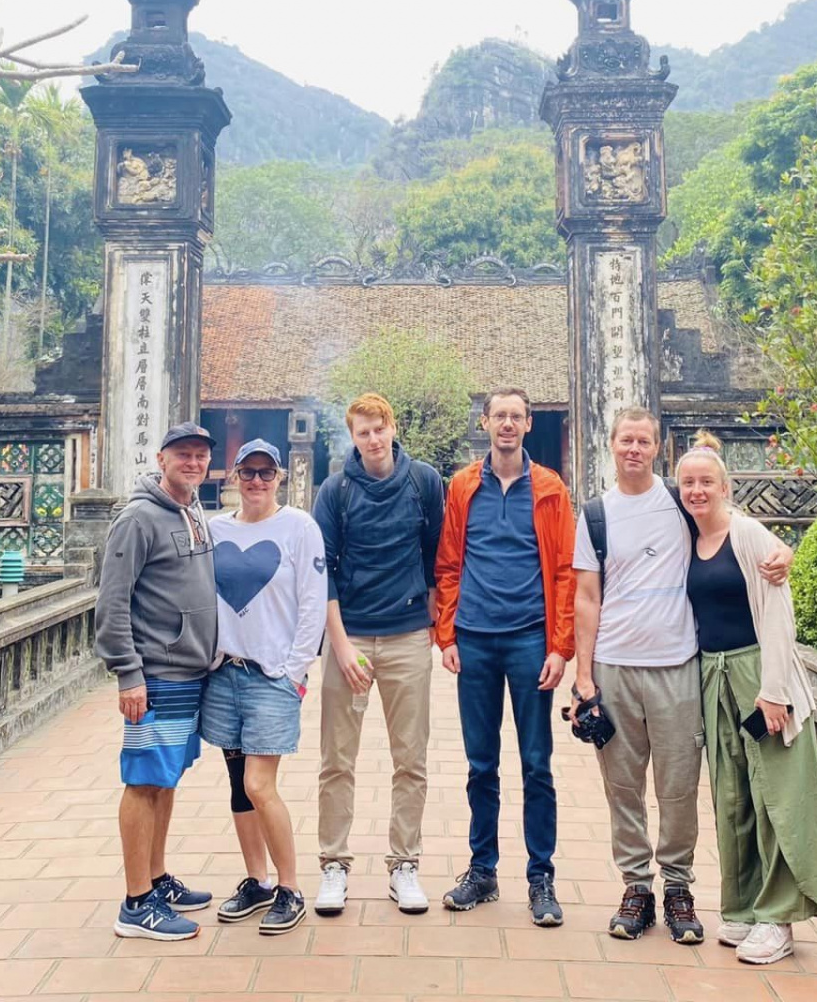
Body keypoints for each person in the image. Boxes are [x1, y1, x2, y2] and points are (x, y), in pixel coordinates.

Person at [569, 407, 785, 944]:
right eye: (626, 441)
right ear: (612, 445)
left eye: (644, 441)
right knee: (622, 785)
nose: (634, 450)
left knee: (679, 787)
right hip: (615, 667)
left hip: (677, 666)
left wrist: (783, 550)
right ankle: (636, 887)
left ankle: (678, 888)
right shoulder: (596, 513)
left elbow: (731, 529)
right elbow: (586, 598)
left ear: (656, 447)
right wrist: (584, 679)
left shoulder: (679, 501)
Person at [677, 432, 817, 966]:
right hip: (713, 676)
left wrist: (773, 692)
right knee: (732, 795)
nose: (697, 491)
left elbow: (777, 613)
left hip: (758, 673)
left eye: (707, 482)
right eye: (689, 483)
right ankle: (744, 906)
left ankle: (779, 919)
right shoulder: (688, 536)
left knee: (777, 794)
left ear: (726, 486)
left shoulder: (747, 535)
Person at [434, 386, 576, 926]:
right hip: (474, 638)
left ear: (529, 423)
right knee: (481, 763)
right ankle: (483, 869)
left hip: (528, 640)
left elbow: (564, 571)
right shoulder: (465, 486)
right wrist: (446, 634)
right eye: (500, 416)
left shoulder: (549, 489)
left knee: (537, 764)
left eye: (517, 416)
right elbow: (448, 564)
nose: (508, 425)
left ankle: (541, 877)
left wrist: (560, 647)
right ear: (486, 423)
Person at [312, 393, 445, 916]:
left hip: (408, 634)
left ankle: (404, 863)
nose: (372, 439)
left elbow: (436, 550)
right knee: (336, 760)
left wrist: (431, 618)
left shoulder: (424, 481)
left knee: (410, 758)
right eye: (362, 432)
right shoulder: (336, 489)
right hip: (351, 636)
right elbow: (321, 568)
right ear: (353, 437)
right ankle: (333, 864)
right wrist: (340, 645)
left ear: (393, 428)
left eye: (379, 429)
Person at [94, 422, 220, 941]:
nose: (193, 463)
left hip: (189, 671)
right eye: (183, 455)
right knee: (144, 780)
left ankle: (156, 876)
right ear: (161, 458)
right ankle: (135, 902)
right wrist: (128, 672)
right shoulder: (138, 518)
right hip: (156, 674)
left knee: (165, 778)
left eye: (200, 456)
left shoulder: (193, 510)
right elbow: (112, 601)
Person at [201, 439, 327, 935]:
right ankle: (256, 880)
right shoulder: (214, 530)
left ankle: (290, 886)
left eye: (265, 473)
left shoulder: (300, 528)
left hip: (270, 675)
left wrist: (294, 671)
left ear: (280, 477)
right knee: (238, 787)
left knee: (260, 784)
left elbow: (312, 604)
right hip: (223, 672)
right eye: (248, 472)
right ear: (234, 475)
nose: (256, 481)